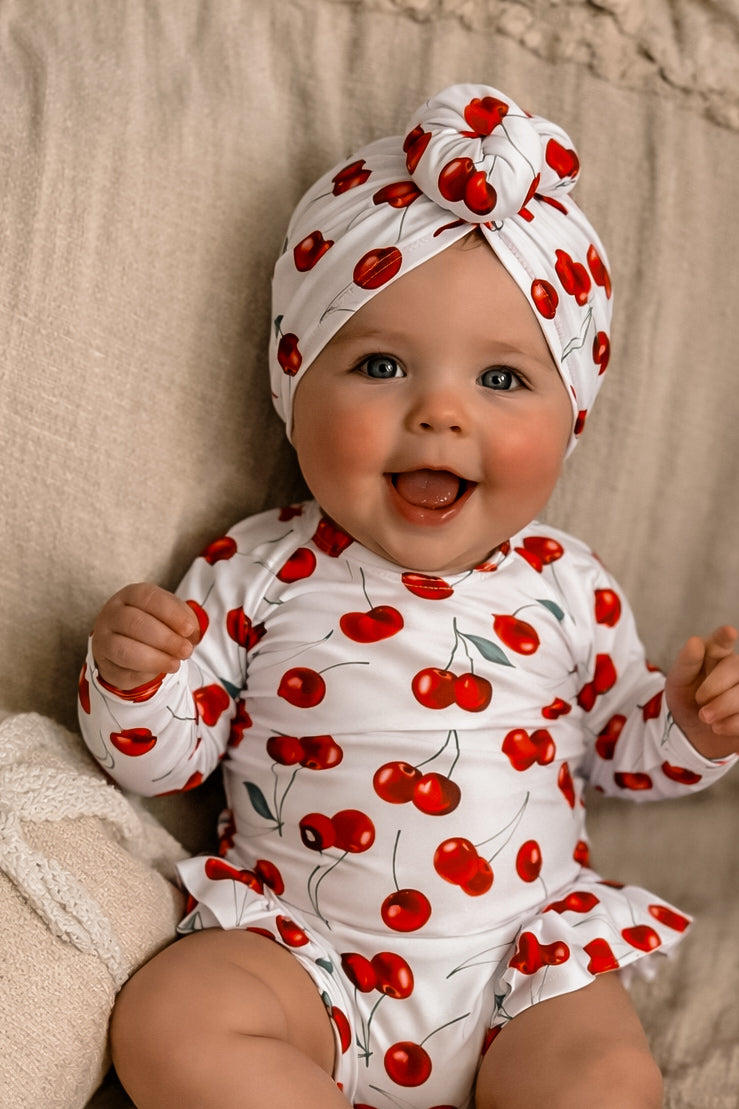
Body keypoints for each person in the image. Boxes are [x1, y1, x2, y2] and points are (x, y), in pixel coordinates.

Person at [78, 84, 739, 1109]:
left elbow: (619, 749)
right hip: (299, 952)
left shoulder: (567, 584)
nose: (439, 412)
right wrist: (133, 679)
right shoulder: (257, 566)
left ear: (570, 420)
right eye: (380, 363)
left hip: (518, 969)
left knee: (605, 1075)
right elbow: (171, 756)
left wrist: (692, 722)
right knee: (169, 1017)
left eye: (502, 380)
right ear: (294, 386)